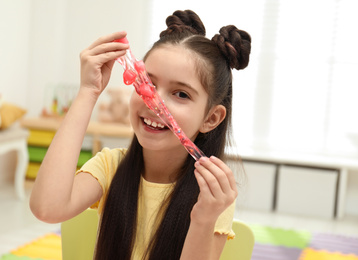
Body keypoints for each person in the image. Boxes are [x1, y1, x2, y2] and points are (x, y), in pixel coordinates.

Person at [30, 9, 251, 260]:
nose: (154, 101)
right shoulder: (111, 166)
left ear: (211, 118)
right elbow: (46, 208)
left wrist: (204, 218)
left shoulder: (211, 196)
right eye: (148, 82)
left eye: (181, 94)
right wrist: (88, 92)